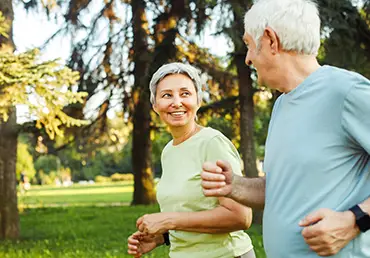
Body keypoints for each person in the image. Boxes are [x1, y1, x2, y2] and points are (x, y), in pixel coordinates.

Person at [200, 0, 370, 257]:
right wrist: (234, 186)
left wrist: (355, 220)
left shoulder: (347, 92)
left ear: (270, 40)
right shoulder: (282, 104)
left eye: (248, 44)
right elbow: (281, 188)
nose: (247, 58)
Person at [127, 63, 255, 258]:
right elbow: (190, 212)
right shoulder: (169, 151)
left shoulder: (212, 143)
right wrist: (163, 237)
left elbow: (240, 217)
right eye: (167, 95)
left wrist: (169, 220)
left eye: (185, 93)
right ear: (155, 106)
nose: (176, 102)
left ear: (198, 101)